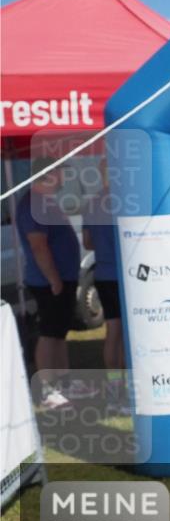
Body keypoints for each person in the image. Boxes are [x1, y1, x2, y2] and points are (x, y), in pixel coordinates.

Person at [15, 161, 81, 409]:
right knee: (49, 334)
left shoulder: (47, 202)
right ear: (48, 175)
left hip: (62, 277)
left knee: (59, 333)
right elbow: (38, 246)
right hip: (48, 281)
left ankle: (64, 383)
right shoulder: (33, 205)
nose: (64, 175)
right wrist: (54, 279)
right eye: (60, 171)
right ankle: (47, 390)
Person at [82, 181, 125, 389]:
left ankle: (115, 385)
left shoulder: (92, 203)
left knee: (113, 329)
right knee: (127, 332)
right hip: (125, 275)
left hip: (104, 273)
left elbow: (87, 243)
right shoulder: (126, 200)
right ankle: (126, 385)